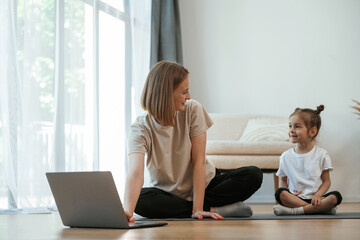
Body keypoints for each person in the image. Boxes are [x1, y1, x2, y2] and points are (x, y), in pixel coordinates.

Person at [124, 60, 263, 221]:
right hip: (169, 194)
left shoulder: (193, 109)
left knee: (253, 174)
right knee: (141, 200)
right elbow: (135, 174)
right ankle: (215, 209)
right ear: (167, 93)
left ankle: (195, 208)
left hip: (205, 186)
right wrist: (127, 211)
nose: (188, 96)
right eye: (184, 92)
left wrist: (198, 208)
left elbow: (199, 162)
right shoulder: (140, 128)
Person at [273, 105, 342, 215]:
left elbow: (326, 181)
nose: (291, 130)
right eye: (290, 126)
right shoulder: (285, 156)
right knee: (279, 193)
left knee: (335, 197)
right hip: (295, 199)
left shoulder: (322, 154)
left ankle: (297, 211)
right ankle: (320, 209)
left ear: (312, 132)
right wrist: (287, 193)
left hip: (317, 199)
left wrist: (318, 195)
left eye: (297, 126)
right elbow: (283, 181)